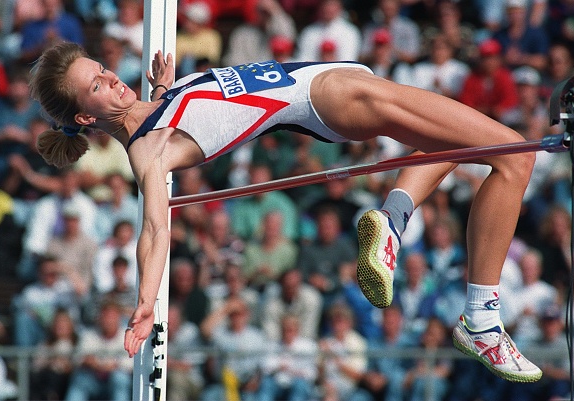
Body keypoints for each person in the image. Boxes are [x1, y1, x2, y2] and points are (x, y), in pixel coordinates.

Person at [30, 41, 541, 382]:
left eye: (101, 69)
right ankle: (481, 319)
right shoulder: (149, 150)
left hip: (330, 83)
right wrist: (145, 300)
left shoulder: (152, 109)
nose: (111, 79)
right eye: (96, 86)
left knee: (463, 143)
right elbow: (155, 228)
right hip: (333, 97)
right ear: (85, 115)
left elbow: (165, 110)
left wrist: (162, 86)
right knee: (515, 156)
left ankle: (392, 223)